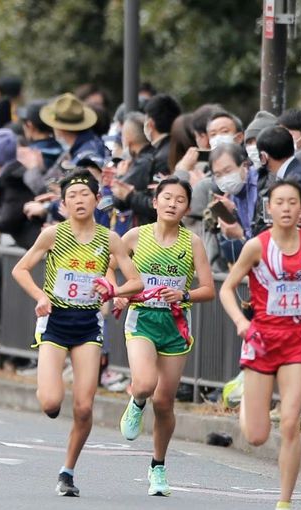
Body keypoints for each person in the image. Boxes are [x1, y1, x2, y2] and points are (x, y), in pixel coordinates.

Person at [12, 168, 143, 497]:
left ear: (98, 200)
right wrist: (40, 296)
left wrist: (113, 292)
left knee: (84, 408)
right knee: (51, 402)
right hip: (55, 322)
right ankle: (50, 395)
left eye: (85, 194)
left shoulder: (109, 239)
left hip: (87, 324)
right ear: (63, 205)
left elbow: (136, 281)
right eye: (72, 196)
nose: (79, 200)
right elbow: (21, 269)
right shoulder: (53, 235)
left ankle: (67, 471)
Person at [219, 181, 301, 510]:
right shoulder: (256, 247)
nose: (286, 208)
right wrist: (241, 322)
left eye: (293, 202)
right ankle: (244, 395)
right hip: (261, 339)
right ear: (269, 208)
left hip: (296, 340)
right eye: (280, 202)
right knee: (257, 436)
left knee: (290, 422)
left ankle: (284, 502)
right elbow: (226, 289)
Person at [115, 176, 215, 496]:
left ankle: (157, 466)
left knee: (165, 402)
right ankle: (136, 400)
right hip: (142, 319)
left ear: (187, 207)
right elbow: (108, 261)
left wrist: (183, 295)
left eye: (180, 200)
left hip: (175, 326)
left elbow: (209, 289)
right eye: (167, 198)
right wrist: (117, 292)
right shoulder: (135, 236)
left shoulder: (192, 242)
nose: (173, 204)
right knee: (145, 384)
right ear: (155, 202)